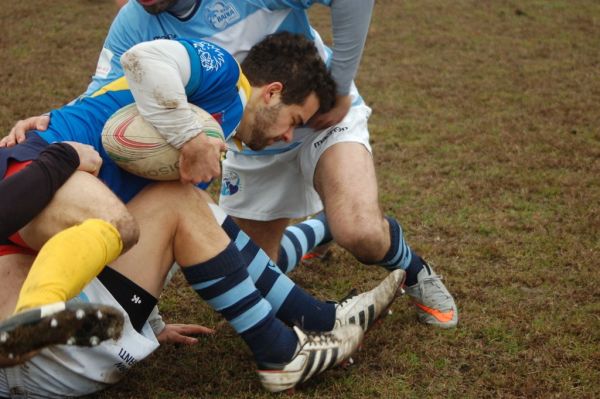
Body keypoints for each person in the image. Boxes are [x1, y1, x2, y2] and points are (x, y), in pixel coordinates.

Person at [3, 0, 458, 328]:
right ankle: (322, 228)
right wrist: (48, 121)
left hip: (319, 114)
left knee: (360, 230)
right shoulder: (134, 20)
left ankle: (415, 270)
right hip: (247, 142)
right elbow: (103, 96)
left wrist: (339, 85)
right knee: (253, 267)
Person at [0, 35, 405, 394]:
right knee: (155, 212)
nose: (287, 138)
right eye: (294, 122)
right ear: (271, 93)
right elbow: (145, 57)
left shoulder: (201, 142)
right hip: (55, 345)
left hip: (47, 351)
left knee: (179, 207)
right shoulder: (222, 77)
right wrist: (188, 136)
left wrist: (151, 322)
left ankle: (313, 318)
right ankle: (289, 344)